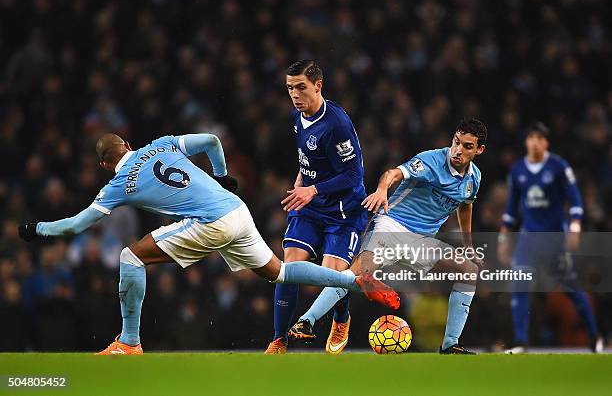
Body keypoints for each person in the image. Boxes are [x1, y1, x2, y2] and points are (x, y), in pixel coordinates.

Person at [18, 133, 399, 355]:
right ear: (129, 144)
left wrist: (34, 230)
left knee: (129, 256)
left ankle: (129, 342)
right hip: (236, 208)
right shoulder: (161, 144)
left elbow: (73, 226)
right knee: (279, 272)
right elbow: (212, 141)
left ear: (104, 165)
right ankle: (354, 281)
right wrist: (222, 176)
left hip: (211, 222)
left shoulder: (117, 184)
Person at [290, 118, 487, 354]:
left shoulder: (473, 179)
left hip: (422, 242)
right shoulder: (432, 160)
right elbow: (393, 173)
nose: (457, 150)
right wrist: (382, 189)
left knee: (469, 270)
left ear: (479, 150)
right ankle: (307, 320)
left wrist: (469, 245)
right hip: (392, 226)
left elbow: (465, 206)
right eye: (456, 142)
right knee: (356, 273)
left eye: (467, 146)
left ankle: (450, 345)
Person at [267, 60, 368, 354]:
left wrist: (312, 189)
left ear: (318, 86)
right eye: (290, 88)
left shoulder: (337, 124)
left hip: (344, 213)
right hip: (311, 207)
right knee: (291, 267)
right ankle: (279, 339)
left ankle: (341, 318)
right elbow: (308, 159)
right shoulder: (297, 116)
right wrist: (301, 183)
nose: (295, 94)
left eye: (301, 87)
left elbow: (353, 175)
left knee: (333, 275)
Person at [497, 122, 603, 354]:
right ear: (526, 142)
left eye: (539, 138)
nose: (535, 142)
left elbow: (575, 200)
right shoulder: (517, 170)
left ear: (546, 142)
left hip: (555, 238)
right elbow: (511, 208)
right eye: (531, 138)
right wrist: (503, 239)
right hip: (528, 239)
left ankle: (594, 336)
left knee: (571, 289)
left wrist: (575, 226)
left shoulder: (558, 167)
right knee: (519, 285)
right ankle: (521, 342)